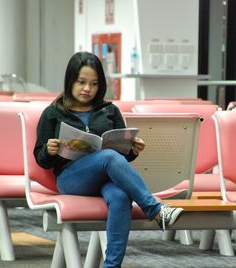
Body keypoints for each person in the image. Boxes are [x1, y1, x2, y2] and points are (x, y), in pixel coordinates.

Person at [34, 51, 184, 268]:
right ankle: (156, 209)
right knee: (107, 157)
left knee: (121, 196)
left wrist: (132, 149)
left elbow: (122, 156)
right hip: (71, 179)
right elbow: (41, 160)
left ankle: (111, 266)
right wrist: (50, 150)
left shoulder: (109, 111)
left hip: (105, 177)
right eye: (81, 82)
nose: (87, 89)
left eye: (94, 83)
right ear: (70, 81)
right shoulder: (53, 113)